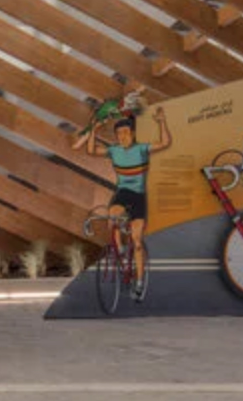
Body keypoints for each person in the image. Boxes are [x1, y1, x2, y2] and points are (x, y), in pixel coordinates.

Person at [72, 101, 171, 300]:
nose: (122, 136)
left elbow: (164, 143)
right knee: (113, 217)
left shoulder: (141, 149)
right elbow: (91, 151)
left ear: (132, 134)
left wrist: (161, 122)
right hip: (123, 192)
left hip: (139, 196)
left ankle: (139, 281)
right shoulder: (114, 150)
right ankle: (119, 253)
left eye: (125, 132)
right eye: (119, 134)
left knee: (137, 241)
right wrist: (94, 130)